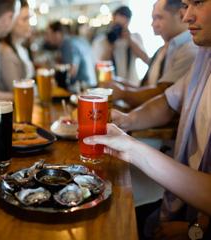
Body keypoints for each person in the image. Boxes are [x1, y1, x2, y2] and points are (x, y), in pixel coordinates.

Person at [85, 0, 211, 238]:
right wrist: (127, 120)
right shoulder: (205, 57)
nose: (187, 17)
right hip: (184, 202)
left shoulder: (192, 49)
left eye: (198, 3)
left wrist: (196, 231)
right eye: (186, 5)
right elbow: (167, 100)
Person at [110, 0, 197, 108]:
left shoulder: (189, 49)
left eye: (159, 18)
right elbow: (150, 86)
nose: (153, 24)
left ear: (181, 15)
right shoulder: (164, 49)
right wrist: (120, 84)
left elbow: (162, 94)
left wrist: (122, 93)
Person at [92, 6, 149, 87]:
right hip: (111, 86)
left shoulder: (135, 38)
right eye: (117, 25)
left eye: (122, 25)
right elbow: (99, 67)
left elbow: (147, 60)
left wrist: (130, 40)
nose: (118, 28)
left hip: (132, 85)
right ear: (113, 20)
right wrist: (110, 46)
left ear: (128, 22)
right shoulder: (102, 41)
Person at [45, 21, 97, 90]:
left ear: (57, 34)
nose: (47, 38)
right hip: (91, 84)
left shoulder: (67, 44)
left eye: (48, 34)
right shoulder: (75, 40)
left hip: (84, 88)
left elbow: (72, 72)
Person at [0, 0, 34, 92]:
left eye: (30, 18)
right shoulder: (6, 51)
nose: (29, 24)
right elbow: (16, 91)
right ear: (11, 21)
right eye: (25, 19)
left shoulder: (22, 48)